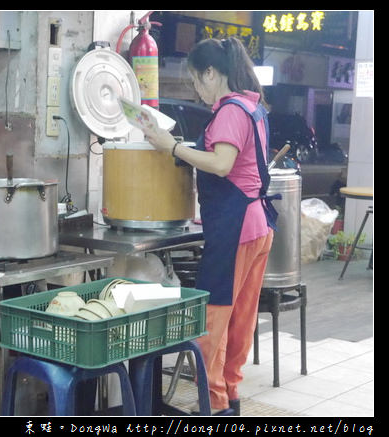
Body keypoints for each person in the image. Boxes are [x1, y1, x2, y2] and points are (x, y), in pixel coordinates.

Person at [142, 37, 278, 416]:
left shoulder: (232, 110)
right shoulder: (253, 106)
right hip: (256, 226)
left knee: (214, 318)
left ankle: (215, 407)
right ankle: (229, 397)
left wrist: (170, 146)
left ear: (211, 73)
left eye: (196, 82)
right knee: (239, 320)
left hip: (237, 228)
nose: (197, 90)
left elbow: (221, 164)